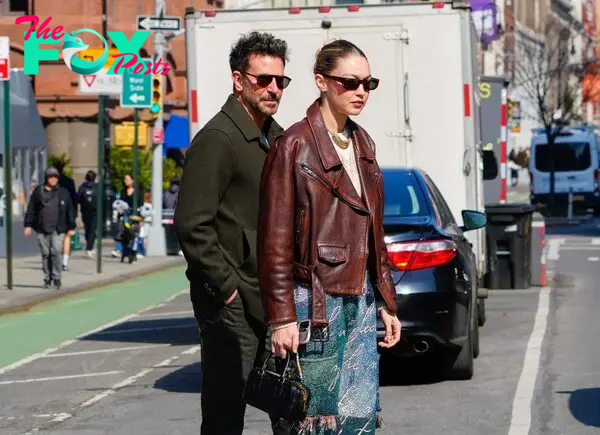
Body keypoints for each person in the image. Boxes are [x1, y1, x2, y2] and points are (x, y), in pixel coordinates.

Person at [258, 39, 401, 433]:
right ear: (321, 81)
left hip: (361, 297)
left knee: (358, 415)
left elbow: (374, 233)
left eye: (368, 84)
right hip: (314, 302)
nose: (360, 92)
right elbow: (274, 241)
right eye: (349, 82)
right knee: (314, 418)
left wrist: (387, 300)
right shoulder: (293, 145)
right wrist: (282, 316)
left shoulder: (363, 142)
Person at [174, 31, 290, 435]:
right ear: (238, 80)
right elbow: (191, 224)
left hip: (273, 297)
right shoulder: (218, 139)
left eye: (280, 80)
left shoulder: (276, 136)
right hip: (232, 304)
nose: (274, 88)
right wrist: (227, 289)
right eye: (264, 79)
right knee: (226, 414)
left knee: (290, 405)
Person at [24, 167, 76, 289]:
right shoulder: (39, 191)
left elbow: (69, 210)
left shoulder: (63, 192)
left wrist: (71, 226)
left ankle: (57, 277)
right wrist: (28, 225)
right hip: (42, 228)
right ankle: (47, 278)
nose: (53, 179)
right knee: (46, 253)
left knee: (56, 251)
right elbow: (32, 209)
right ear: (46, 178)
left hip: (58, 228)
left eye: (55, 177)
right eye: (51, 177)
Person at [53, 161, 77, 271]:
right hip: (67, 211)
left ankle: (54, 260)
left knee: (52, 236)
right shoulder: (69, 181)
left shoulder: (51, 182)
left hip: (53, 211)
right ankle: (64, 263)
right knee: (67, 236)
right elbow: (74, 199)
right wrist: (74, 213)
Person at [77, 170, 98, 257]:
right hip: (95, 211)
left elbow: (78, 198)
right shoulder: (97, 187)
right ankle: (89, 248)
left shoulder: (82, 187)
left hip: (85, 211)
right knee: (93, 230)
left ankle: (90, 246)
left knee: (87, 229)